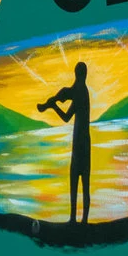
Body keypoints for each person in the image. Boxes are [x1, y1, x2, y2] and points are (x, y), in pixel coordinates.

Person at [36, 61, 93, 224]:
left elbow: (67, 93)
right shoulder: (81, 91)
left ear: (79, 75)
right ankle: (77, 220)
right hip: (82, 143)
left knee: (80, 180)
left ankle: (80, 221)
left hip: (81, 143)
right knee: (79, 180)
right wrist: (52, 105)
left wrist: (51, 104)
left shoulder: (80, 91)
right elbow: (67, 115)